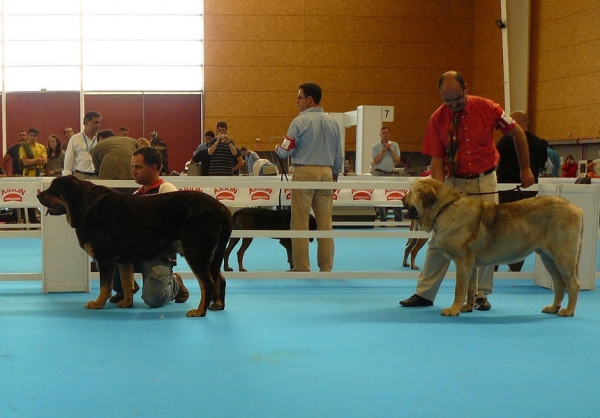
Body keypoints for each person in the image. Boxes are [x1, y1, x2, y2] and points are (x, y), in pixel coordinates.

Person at [399, 71, 534, 311]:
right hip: (453, 183)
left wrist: (525, 169)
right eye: (447, 101)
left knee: (487, 237)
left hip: (484, 180)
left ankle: (481, 294)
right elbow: (437, 159)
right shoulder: (437, 119)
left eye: (457, 100)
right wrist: (438, 193)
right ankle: (424, 293)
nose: (452, 105)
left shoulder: (488, 108)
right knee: (439, 239)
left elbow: (517, 133)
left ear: (465, 89)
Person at [275, 82, 344, 272]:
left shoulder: (299, 122)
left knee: (300, 222)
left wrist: (278, 151)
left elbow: (285, 150)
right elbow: (339, 154)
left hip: (304, 172)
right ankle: (326, 266)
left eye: (299, 97)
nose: (297, 101)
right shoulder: (333, 123)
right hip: (327, 173)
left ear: (309, 99)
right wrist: (335, 172)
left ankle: (302, 266)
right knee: (325, 224)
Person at [110, 147, 189, 307]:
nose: (133, 172)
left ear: (153, 168)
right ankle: (125, 290)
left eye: (138, 167)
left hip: (159, 255)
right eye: (132, 167)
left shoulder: (167, 190)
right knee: (105, 255)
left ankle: (174, 284)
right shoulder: (135, 197)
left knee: (154, 299)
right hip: (137, 253)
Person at [495, 110, 547, 272]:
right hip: (529, 192)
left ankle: (493, 265)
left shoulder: (505, 140)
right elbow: (542, 164)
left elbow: (495, 161)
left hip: (506, 190)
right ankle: (516, 265)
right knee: (524, 229)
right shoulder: (539, 142)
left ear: (514, 122)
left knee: (499, 227)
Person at [371, 126, 402, 223]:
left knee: (395, 196)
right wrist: (384, 150)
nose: (385, 134)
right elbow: (376, 161)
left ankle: (398, 218)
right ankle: (383, 218)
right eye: (383, 133)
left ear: (389, 134)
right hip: (380, 173)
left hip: (392, 174)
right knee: (380, 196)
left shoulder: (395, 145)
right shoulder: (375, 147)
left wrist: (391, 150)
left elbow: (397, 161)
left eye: (386, 132)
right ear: (380, 135)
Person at [62, 111, 101, 179]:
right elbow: (69, 161)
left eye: (99, 123)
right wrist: (67, 179)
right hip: (80, 175)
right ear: (86, 122)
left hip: (97, 176)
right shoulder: (75, 139)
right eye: (95, 122)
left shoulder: (101, 139)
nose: (97, 125)